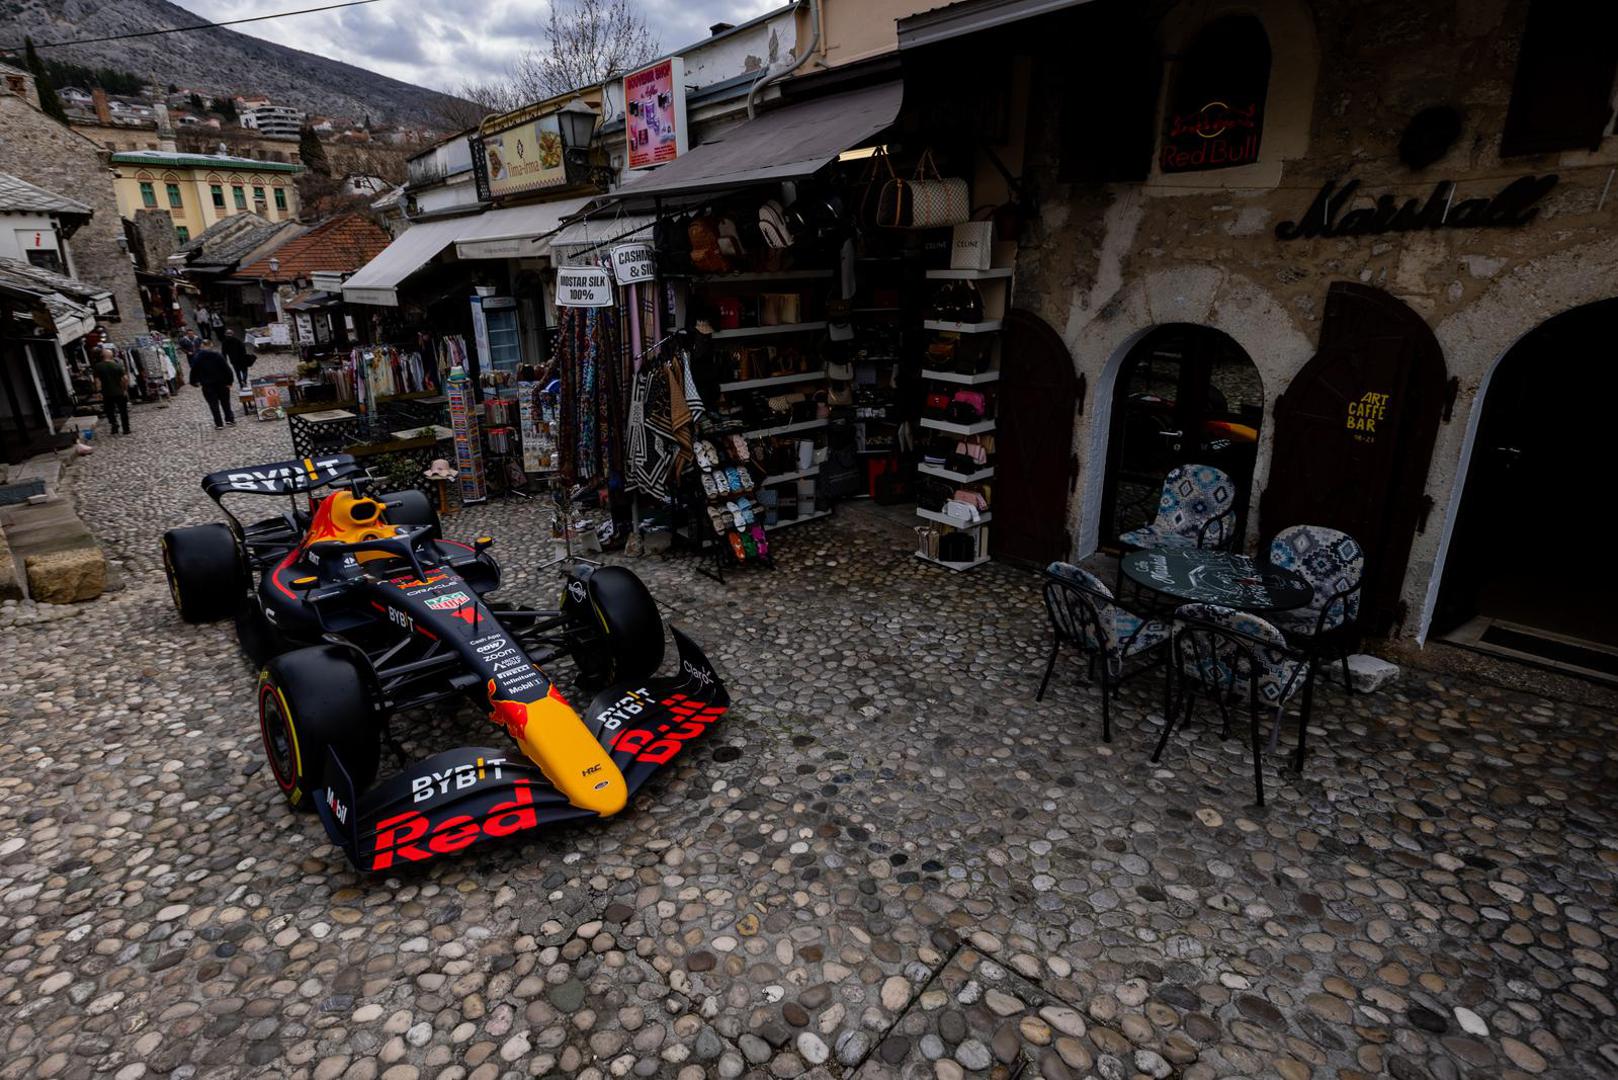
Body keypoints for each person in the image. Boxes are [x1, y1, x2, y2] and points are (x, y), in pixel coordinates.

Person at [189, 338, 237, 428]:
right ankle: (230, 419)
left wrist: (193, 382)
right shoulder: (217, 355)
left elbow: (194, 371)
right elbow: (227, 369)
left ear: (201, 346)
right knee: (226, 403)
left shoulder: (198, 357)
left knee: (213, 405)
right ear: (211, 345)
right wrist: (230, 381)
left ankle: (219, 424)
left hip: (208, 385)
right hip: (222, 383)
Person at [93, 347, 130, 435]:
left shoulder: (98, 366)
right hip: (120, 392)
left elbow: (97, 381)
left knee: (109, 411)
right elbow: (125, 379)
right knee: (123, 411)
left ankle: (114, 425)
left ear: (102, 355)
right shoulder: (117, 365)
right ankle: (126, 428)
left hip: (107, 393)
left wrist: (98, 392)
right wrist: (125, 389)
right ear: (111, 356)